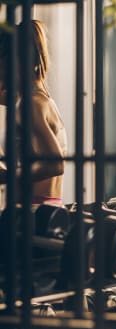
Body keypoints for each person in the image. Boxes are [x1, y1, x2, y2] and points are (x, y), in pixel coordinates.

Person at [0, 20, 67, 206]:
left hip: (30, 214)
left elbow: (55, 164)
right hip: (44, 209)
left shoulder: (29, 105)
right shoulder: (40, 100)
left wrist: (8, 175)